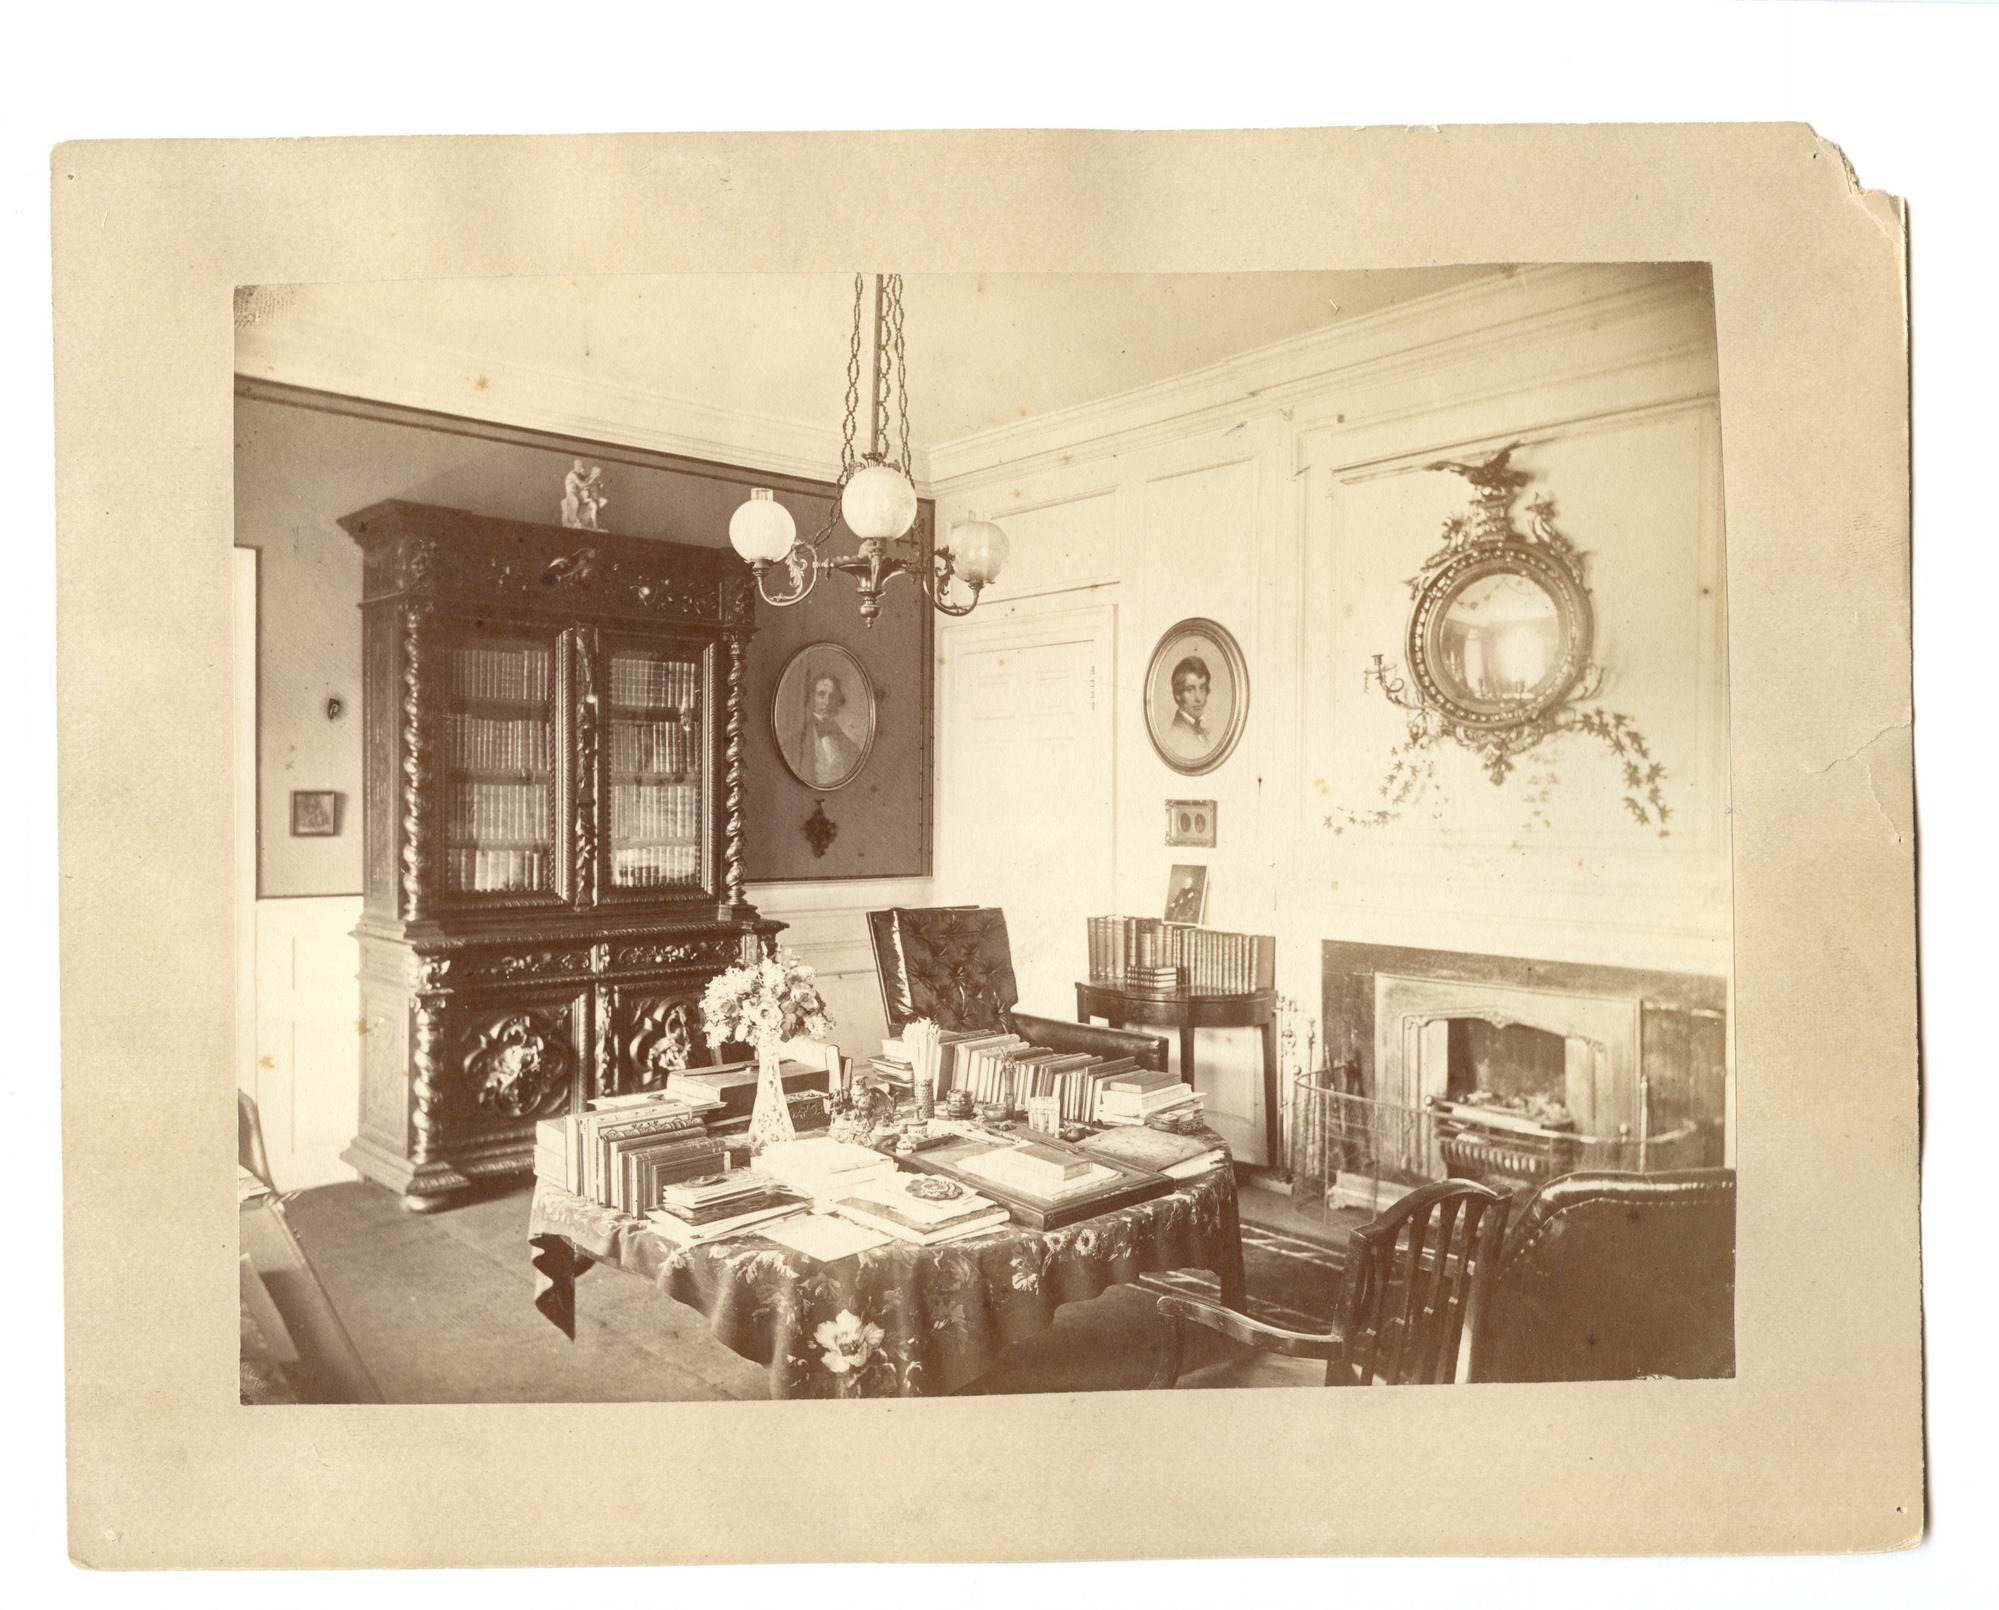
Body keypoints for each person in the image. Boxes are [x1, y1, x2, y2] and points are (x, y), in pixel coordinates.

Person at [790, 668, 864, 788]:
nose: (827, 702)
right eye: (821, 695)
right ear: (812, 698)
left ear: (838, 700)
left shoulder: (852, 749)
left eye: (832, 696)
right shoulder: (792, 744)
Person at [1164, 653, 1215, 760]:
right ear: (1178, 695)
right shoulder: (1176, 738)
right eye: (1190, 690)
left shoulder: (1202, 732)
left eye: (1202, 688)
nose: (1199, 698)